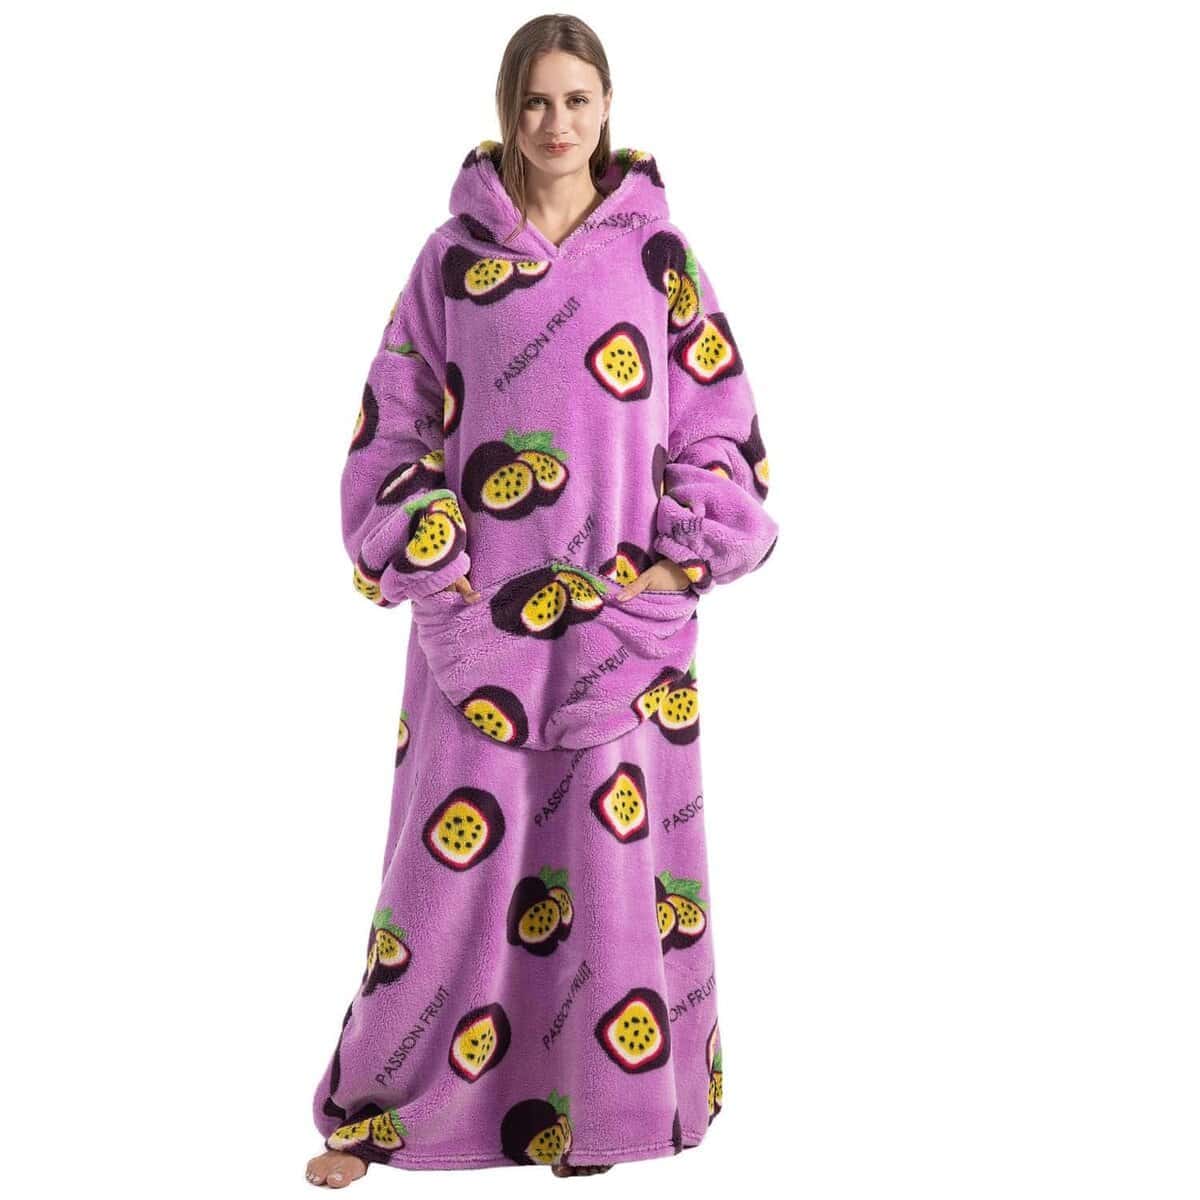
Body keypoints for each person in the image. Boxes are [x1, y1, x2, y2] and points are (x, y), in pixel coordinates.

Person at [305, 13, 778, 1189]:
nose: (556, 122)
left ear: (607, 107)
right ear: (507, 110)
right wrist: (436, 560)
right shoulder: (448, 263)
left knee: (613, 865)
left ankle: (597, 1111)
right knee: (442, 872)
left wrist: (674, 564)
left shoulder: (660, 258)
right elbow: (391, 427)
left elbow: (720, 424)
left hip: (623, 623)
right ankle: (383, 1106)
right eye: (535, 101)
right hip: (479, 623)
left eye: (576, 99)